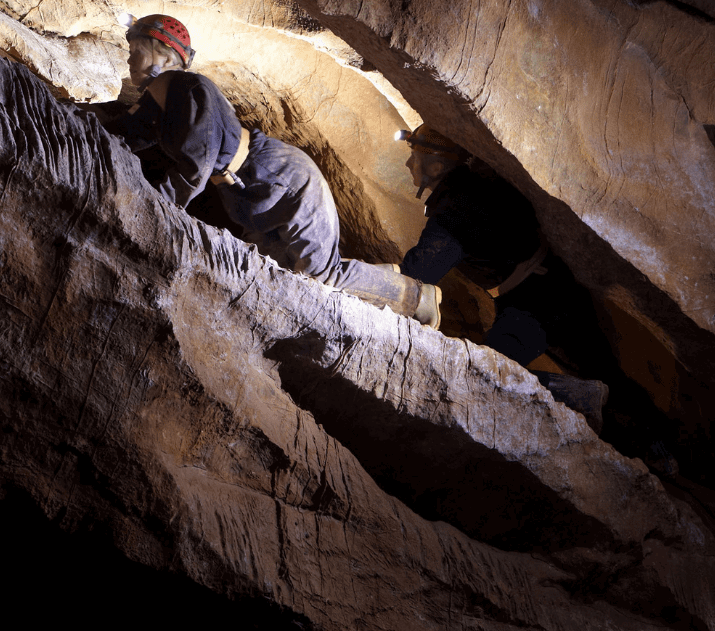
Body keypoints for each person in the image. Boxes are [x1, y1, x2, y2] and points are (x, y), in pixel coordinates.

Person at [116, 15, 441, 327]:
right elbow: (125, 133)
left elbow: (195, 166)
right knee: (271, 273)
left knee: (321, 273)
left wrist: (154, 204)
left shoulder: (189, 87)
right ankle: (382, 278)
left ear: (164, 52)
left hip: (281, 177)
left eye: (137, 50)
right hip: (246, 193)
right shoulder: (157, 100)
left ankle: (417, 297)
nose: (130, 58)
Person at [393, 124, 609, 431]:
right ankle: (653, 447)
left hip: (535, 302)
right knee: (606, 370)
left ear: (436, 166)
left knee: (485, 375)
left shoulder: (456, 208)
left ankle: (576, 396)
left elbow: (419, 273)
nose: (407, 163)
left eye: (413, 156)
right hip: (552, 289)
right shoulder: (471, 190)